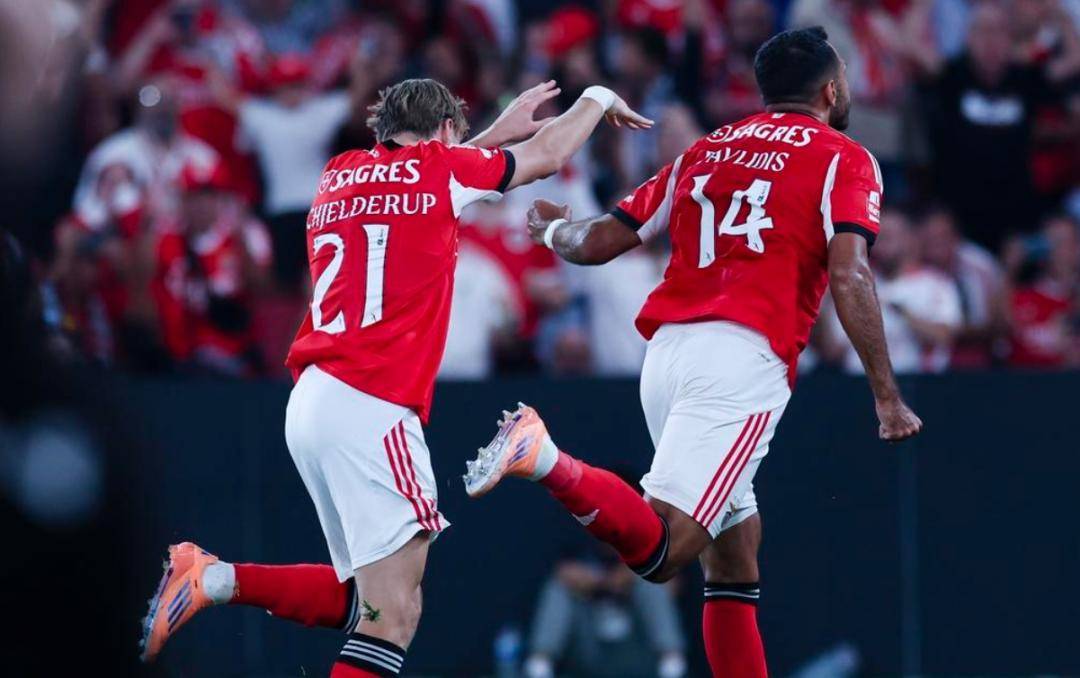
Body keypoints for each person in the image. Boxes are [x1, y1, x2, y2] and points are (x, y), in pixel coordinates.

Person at [138, 78, 653, 676]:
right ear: (445, 132)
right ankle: (210, 580)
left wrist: (488, 139)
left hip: (312, 400)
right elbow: (548, 154)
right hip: (372, 401)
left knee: (364, 601)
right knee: (394, 616)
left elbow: (416, 181)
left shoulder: (337, 174)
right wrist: (598, 96)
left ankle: (212, 579)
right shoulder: (441, 171)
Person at [462, 27, 922, 677]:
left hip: (668, 356)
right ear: (830, 89)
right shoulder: (844, 157)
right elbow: (849, 273)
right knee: (664, 552)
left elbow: (600, 241)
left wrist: (553, 229)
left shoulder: (707, 150)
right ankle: (544, 458)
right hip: (740, 363)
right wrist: (886, 395)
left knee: (733, 554)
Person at [819, 209, 963, 374]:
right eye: (878, 236)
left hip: (918, 381)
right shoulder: (854, 284)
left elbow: (945, 337)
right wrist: (824, 308)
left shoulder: (936, 284)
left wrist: (903, 313)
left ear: (910, 239)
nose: (882, 244)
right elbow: (833, 352)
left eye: (889, 237)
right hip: (858, 382)